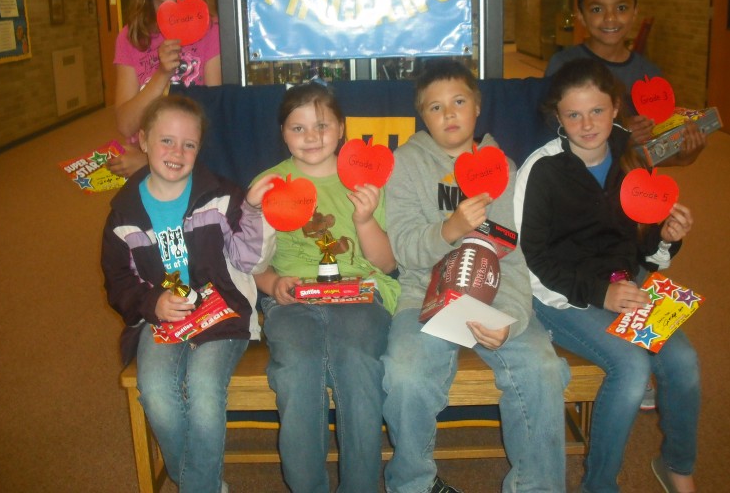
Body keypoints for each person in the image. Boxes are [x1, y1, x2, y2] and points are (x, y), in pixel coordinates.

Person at [382, 59, 569, 493]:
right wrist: (451, 228)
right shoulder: (405, 164)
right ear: (421, 115)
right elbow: (403, 250)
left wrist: (511, 319)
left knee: (542, 369)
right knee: (405, 373)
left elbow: (515, 257)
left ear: (477, 106)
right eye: (435, 107)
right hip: (425, 295)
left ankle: (535, 486)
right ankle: (413, 484)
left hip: (496, 296)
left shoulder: (502, 166)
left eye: (459, 101)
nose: (448, 114)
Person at [514, 57, 700, 493]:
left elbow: (646, 250)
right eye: (573, 114)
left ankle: (676, 465)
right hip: (561, 296)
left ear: (616, 108)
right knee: (632, 366)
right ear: (557, 117)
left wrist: (669, 238)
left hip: (627, 283)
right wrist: (602, 293)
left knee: (685, 362)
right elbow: (534, 259)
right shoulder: (541, 170)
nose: (587, 124)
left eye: (597, 111)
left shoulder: (634, 157)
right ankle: (600, 484)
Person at [101, 95, 274, 493]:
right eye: (166, 141)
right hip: (160, 319)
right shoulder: (123, 213)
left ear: (199, 149)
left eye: (189, 144)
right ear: (142, 140)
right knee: (157, 393)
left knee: (203, 389)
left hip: (222, 315)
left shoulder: (222, 195)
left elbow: (248, 259)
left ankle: (197, 487)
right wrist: (152, 303)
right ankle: (202, 484)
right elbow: (118, 282)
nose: (177, 152)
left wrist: (250, 210)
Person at [251, 81, 398, 493]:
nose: (311, 137)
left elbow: (387, 263)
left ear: (342, 128)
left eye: (321, 126)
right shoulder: (268, 185)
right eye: (298, 128)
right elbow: (252, 262)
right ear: (282, 132)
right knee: (296, 372)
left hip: (362, 294)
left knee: (358, 367)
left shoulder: (366, 180)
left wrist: (366, 219)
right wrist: (274, 282)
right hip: (293, 299)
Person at [545, 0, 706, 168]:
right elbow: (550, 133)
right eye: (597, 9)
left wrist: (684, 157)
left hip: (631, 185)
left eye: (621, 8)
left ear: (634, 12)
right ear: (581, 16)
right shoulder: (563, 65)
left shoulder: (650, 75)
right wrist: (616, 132)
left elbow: (648, 152)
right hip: (580, 179)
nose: (610, 18)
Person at [108, 0, 221, 178]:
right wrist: (161, 74)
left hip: (198, 166)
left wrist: (151, 163)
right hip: (146, 167)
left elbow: (217, 119)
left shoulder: (212, 31)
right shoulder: (130, 37)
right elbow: (126, 124)